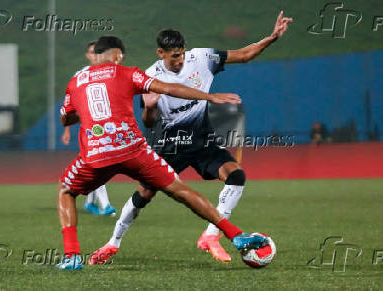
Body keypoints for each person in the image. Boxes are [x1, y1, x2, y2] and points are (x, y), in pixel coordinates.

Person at [92, 11, 292, 264]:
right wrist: (150, 108)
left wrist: (272, 37)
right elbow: (149, 123)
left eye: (182, 54)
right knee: (144, 193)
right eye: (174, 56)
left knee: (236, 176)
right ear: (160, 54)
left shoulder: (203, 58)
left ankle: (210, 236)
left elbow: (244, 55)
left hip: (203, 139)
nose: (179, 60)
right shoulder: (149, 76)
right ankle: (113, 242)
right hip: (171, 144)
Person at [56, 36, 267, 270]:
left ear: (96, 55)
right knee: (180, 190)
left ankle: (72, 256)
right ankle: (236, 235)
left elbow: (66, 116)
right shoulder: (128, 73)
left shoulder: (76, 81)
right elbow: (169, 89)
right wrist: (209, 96)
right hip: (134, 150)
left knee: (66, 190)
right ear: (118, 55)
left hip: (98, 153)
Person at [61, 40, 117, 216]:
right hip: (90, 129)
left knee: (100, 165)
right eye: (92, 52)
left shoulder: (110, 73)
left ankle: (90, 202)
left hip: (108, 127)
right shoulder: (80, 75)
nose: (95, 55)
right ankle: (106, 205)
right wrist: (67, 129)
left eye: (98, 52)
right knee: (98, 163)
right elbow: (69, 105)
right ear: (88, 55)